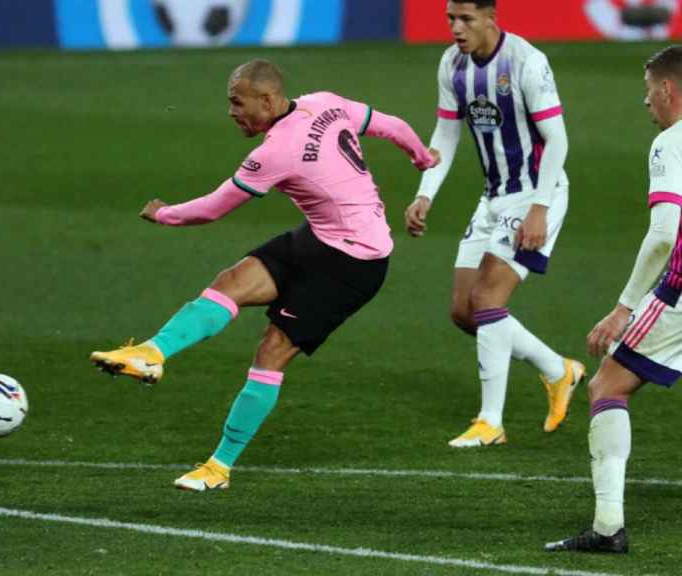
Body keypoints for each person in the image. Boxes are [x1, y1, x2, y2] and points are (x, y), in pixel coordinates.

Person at [90, 59, 438, 491]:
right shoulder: (325, 102)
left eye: (238, 102)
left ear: (268, 100)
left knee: (271, 350)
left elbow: (214, 208)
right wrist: (422, 157)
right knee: (230, 283)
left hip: (356, 263)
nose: (231, 111)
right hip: (321, 237)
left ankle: (219, 468)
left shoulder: (275, 151)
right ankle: (151, 354)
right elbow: (391, 124)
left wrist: (163, 214)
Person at [403, 0, 585, 447]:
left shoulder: (525, 61)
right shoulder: (452, 64)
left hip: (536, 193)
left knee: (487, 299)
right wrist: (425, 192)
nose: (455, 28)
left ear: (491, 18)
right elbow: (446, 131)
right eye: (450, 19)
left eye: (465, 19)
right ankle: (558, 369)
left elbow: (557, 138)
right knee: (465, 312)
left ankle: (490, 422)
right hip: (493, 198)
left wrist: (539, 208)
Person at [545, 45, 682, 555]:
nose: (645, 102)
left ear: (667, 91)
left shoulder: (671, 143)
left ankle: (607, 528)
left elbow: (666, 233)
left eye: (648, 92)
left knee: (607, 384)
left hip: (679, 292)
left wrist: (625, 305)